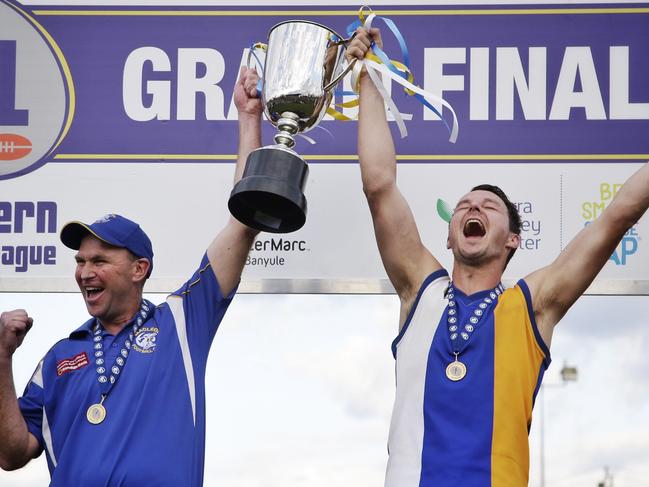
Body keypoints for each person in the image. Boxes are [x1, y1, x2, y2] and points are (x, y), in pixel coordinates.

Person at [347, 28, 649, 487]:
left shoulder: (533, 305)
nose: (473, 208)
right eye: (465, 205)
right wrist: (369, 74)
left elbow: (616, 218)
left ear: (511, 240)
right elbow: (378, 185)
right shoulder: (419, 288)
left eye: (489, 208)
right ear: (450, 238)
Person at [0, 67, 262, 486]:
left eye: (100, 261)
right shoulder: (57, 359)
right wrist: (1, 357)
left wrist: (248, 119)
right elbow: (11, 455)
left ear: (139, 269)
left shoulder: (180, 322)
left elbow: (243, 222)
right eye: (80, 262)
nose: (85, 272)